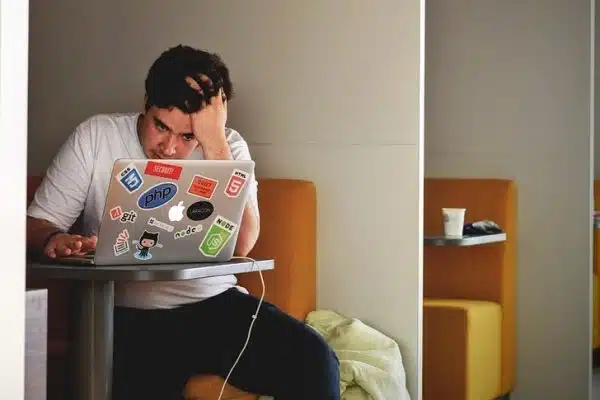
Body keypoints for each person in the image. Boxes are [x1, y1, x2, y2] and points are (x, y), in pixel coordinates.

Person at [26, 44, 340, 400]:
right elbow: (36, 223)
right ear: (146, 102)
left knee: (315, 361)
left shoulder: (228, 147)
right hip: (126, 315)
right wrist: (54, 238)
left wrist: (214, 144)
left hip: (214, 306)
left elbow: (242, 244)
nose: (170, 148)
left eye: (187, 136)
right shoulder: (96, 136)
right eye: (161, 126)